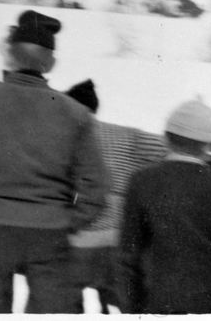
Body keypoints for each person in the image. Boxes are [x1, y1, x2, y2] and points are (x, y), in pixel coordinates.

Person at [0, 10, 107, 313]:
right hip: (50, 236)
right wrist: (70, 221)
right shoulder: (74, 113)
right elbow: (97, 187)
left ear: (9, 58)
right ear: (51, 63)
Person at [117, 98, 211, 314]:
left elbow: (128, 256)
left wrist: (133, 309)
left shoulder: (141, 181)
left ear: (166, 139)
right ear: (207, 146)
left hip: (162, 300)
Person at [62, 78, 166, 313]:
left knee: (65, 303)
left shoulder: (62, 138)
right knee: (129, 304)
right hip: (121, 239)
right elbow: (168, 150)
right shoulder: (128, 136)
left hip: (78, 241)